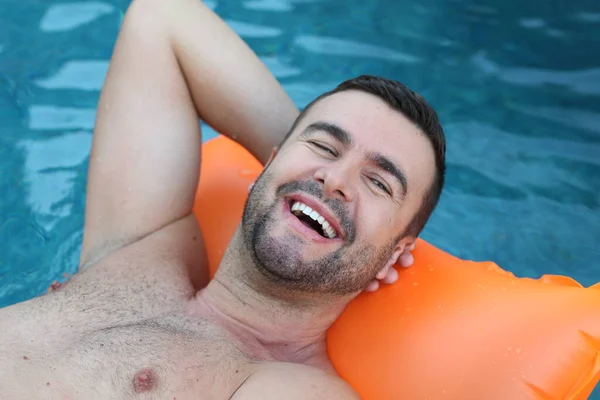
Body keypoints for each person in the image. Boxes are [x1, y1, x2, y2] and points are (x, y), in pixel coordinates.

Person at [0, 0, 445, 398]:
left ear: (395, 254)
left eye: (379, 183)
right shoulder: (142, 248)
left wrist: (317, 186)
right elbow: (161, 17)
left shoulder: (290, 385)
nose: (335, 178)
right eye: (326, 146)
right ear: (267, 164)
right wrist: (299, 175)